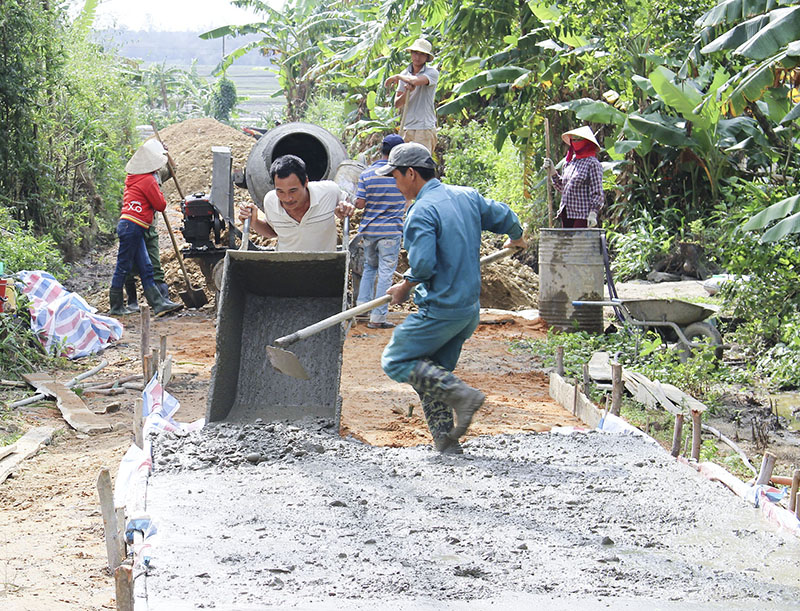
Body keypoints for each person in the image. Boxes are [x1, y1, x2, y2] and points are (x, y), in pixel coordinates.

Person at [376, 143, 527, 454]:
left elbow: (424, 265)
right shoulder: (466, 196)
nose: (395, 183)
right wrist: (516, 236)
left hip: (439, 310)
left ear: (411, 173)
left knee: (395, 360)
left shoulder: (421, 211)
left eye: (395, 176)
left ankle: (464, 396)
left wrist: (405, 287)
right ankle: (446, 443)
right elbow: (504, 215)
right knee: (430, 375)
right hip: (467, 311)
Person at [109, 140, 182, 317]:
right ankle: (116, 306)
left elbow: (172, 169)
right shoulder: (148, 180)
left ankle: (158, 303)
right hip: (133, 226)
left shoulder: (134, 178)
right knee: (124, 266)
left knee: (147, 267)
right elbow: (161, 205)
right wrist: (159, 192)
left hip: (133, 226)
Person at [238, 155, 354, 251]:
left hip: (325, 266)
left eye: (293, 191)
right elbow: (272, 232)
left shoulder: (329, 192)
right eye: (280, 191)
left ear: (306, 182)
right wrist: (254, 222)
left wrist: (345, 209)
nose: (287, 198)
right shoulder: (270, 201)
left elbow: (349, 203)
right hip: (286, 266)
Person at [354, 134, 407, 329]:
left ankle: (361, 311)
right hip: (391, 231)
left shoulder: (367, 174)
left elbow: (360, 204)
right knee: (386, 272)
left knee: (369, 267)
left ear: (381, 151)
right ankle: (378, 317)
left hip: (370, 230)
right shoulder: (401, 176)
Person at [384, 38, 439, 154]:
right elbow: (397, 103)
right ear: (411, 54)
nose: (417, 57)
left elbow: (415, 81)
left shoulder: (432, 73)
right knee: (404, 162)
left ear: (426, 57)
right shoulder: (405, 74)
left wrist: (398, 77)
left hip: (424, 127)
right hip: (407, 126)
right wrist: (407, 93)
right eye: (415, 53)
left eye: (422, 54)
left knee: (421, 162)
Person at [543, 126, 604, 228]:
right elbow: (563, 187)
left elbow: (597, 192)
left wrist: (593, 213)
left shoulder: (593, 164)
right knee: (567, 238)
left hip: (582, 215)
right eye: (573, 140)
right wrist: (551, 170)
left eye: (579, 140)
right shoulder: (569, 163)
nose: (576, 143)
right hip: (566, 213)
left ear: (587, 142)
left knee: (578, 238)